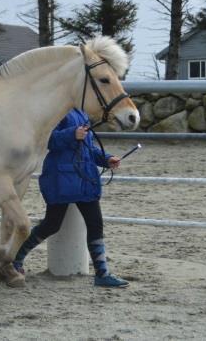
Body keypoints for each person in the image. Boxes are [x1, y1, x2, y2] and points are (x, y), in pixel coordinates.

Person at [13, 108, 129, 288]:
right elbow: (47, 141)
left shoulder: (81, 113)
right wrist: (72, 134)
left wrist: (106, 159)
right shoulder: (56, 110)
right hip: (62, 178)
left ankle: (102, 273)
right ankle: (16, 259)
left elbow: (88, 147)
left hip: (83, 177)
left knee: (95, 223)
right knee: (52, 224)